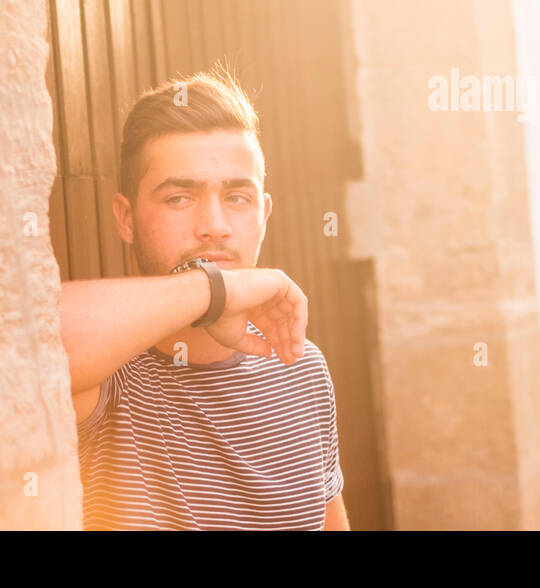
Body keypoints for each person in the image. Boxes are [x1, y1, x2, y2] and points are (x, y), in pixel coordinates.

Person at [58, 65, 348, 530]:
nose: (214, 225)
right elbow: (30, 341)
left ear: (263, 215)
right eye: (179, 198)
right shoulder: (109, 375)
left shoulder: (302, 370)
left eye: (237, 198)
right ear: (126, 218)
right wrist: (217, 288)